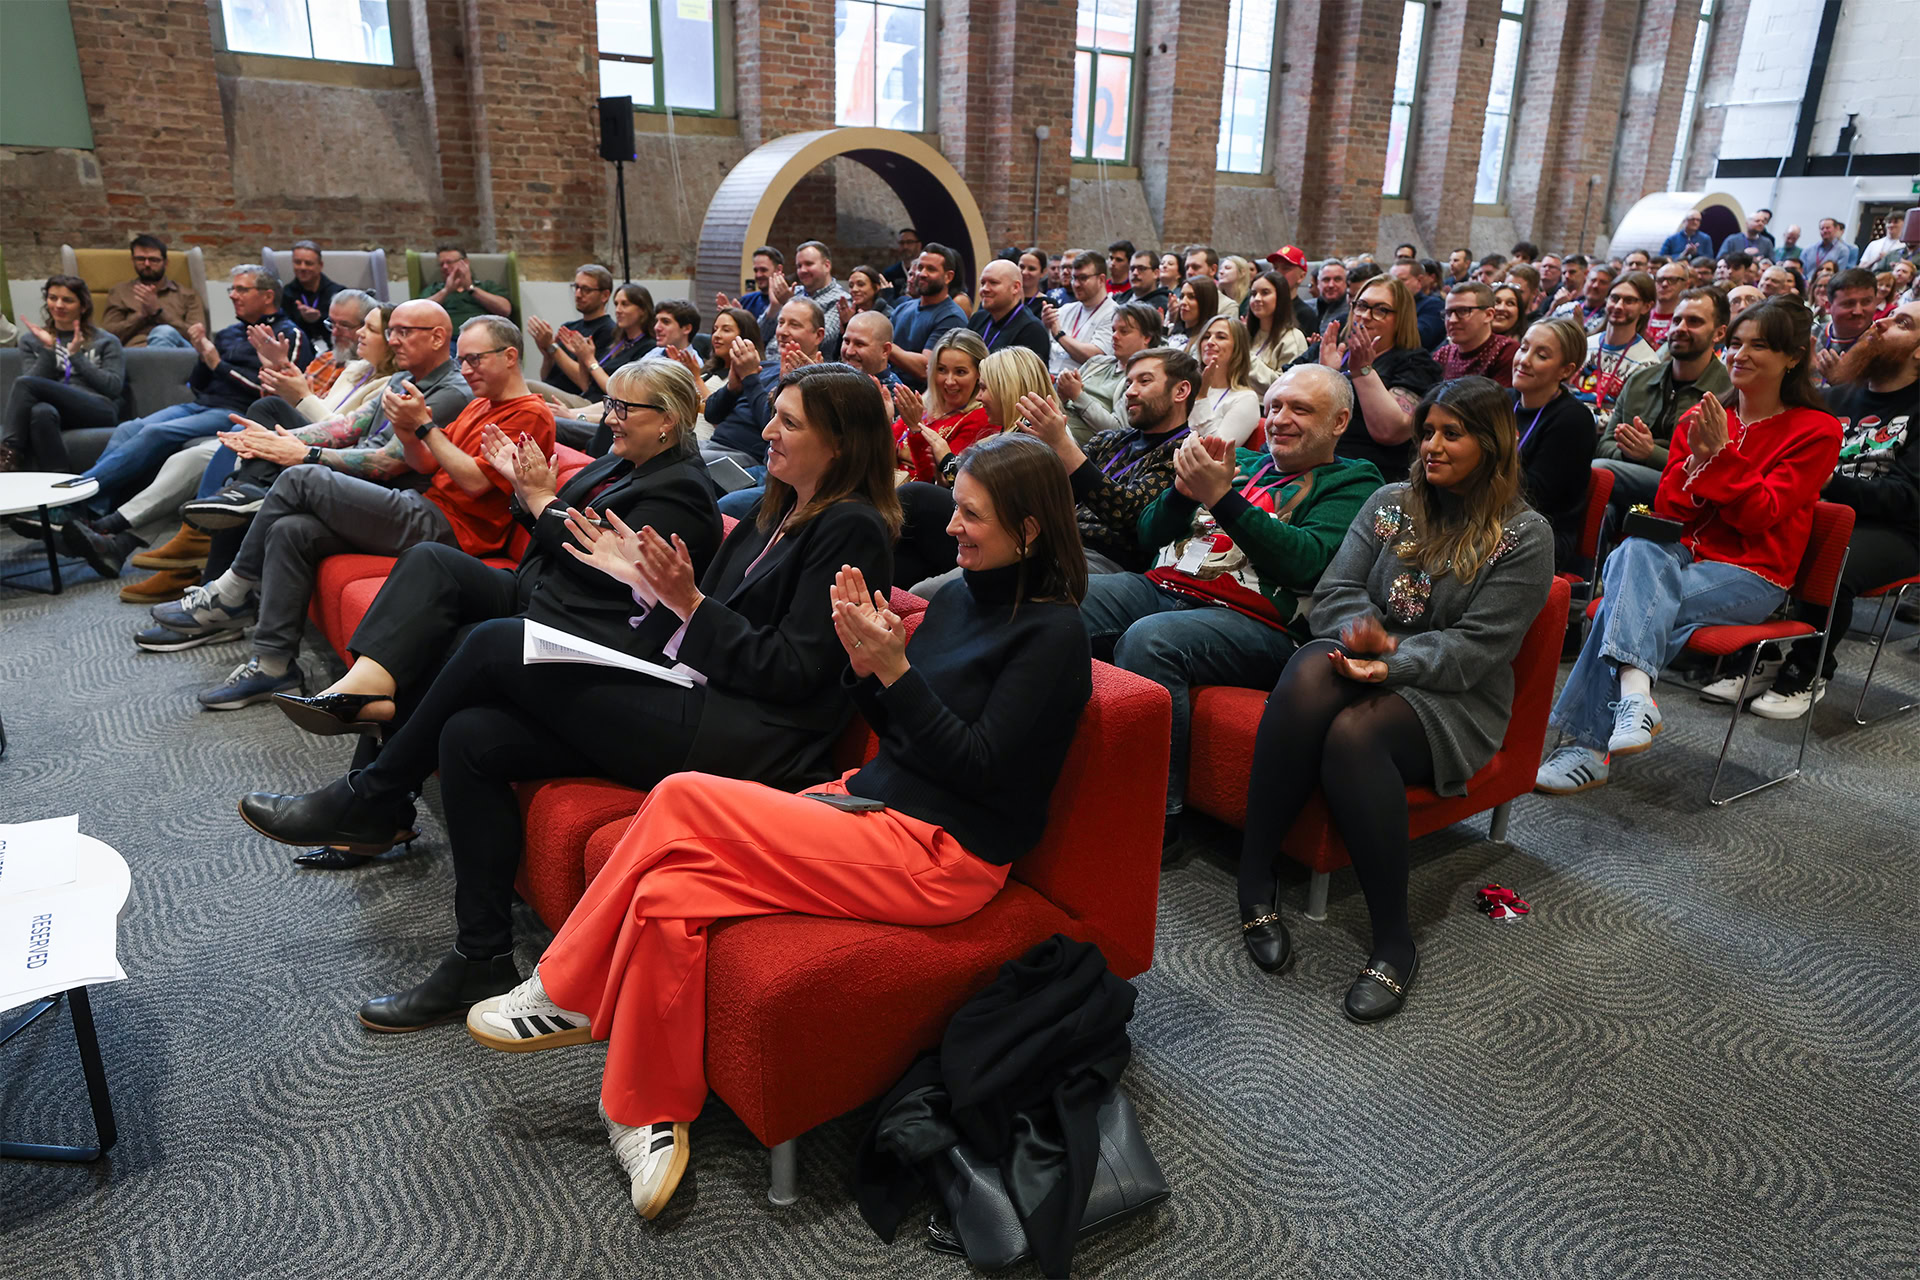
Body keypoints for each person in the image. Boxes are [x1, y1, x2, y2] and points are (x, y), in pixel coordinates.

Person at [439, 431, 1088, 1221]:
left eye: (973, 517)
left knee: (681, 796)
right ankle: (642, 1107)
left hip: (940, 853)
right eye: (955, 508)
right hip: (871, 804)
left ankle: (570, 987)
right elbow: (908, 731)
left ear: (1029, 530)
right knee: (673, 889)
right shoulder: (956, 598)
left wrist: (895, 672)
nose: (951, 527)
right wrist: (866, 669)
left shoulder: (1055, 638)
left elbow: (980, 771)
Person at [237, 363, 902, 1035]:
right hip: (693, 695)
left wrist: (686, 602)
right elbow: (700, 623)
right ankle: (482, 957)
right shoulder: (777, 509)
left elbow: (791, 670)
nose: (766, 430)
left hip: (747, 741)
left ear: (841, 442)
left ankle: (374, 795)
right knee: (470, 736)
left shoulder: (854, 529)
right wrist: (643, 586)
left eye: (788, 421)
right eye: (775, 414)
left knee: (499, 641)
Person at [1237, 376, 1553, 1020]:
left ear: (1491, 445)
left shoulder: (1523, 535)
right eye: (1428, 431)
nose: (1432, 445)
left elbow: (1477, 648)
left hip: (1455, 694)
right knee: (1308, 667)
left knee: (1357, 736)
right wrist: (1364, 637)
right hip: (1367, 658)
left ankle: (1393, 942)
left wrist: (1393, 661)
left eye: (1452, 434)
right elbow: (1336, 590)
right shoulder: (1391, 501)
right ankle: (1254, 876)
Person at [268, 360, 724, 803]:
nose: (609, 418)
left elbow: (606, 571)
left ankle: (368, 800)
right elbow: (559, 529)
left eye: (623, 409)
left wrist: (541, 497)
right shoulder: (622, 462)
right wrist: (531, 496)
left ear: (668, 417)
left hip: (586, 626)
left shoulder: (681, 490)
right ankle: (364, 687)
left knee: (444, 642)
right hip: (546, 592)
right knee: (430, 561)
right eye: (609, 404)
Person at [157, 315, 554, 709]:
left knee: (302, 480)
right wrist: (408, 429)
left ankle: (230, 590)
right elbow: (425, 463)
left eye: (475, 359)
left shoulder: (530, 413)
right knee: (292, 530)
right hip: (427, 507)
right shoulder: (480, 403)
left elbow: (476, 482)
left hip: (453, 531)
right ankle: (273, 663)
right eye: (462, 359)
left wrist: (424, 427)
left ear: (510, 356)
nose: (466, 369)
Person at [1537, 301, 1842, 794]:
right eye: (1737, 342)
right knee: (1635, 550)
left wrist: (1720, 457)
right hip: (1680, 555)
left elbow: (1760, 515)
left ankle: (1586, 747)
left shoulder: (1816, 430)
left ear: (1793, 357)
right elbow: (1671, 511)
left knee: (1623, 599)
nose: (1740, 354)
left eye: (1758, 345)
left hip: (1753, 573)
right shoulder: (1702, 417)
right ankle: (1637, 695)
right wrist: (1701, 462)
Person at [1081, 364, 1382, 841]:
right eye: (1275, 406)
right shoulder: (1241, 460)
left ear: (1339, 422)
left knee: (1152, 641)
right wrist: (1181, 495)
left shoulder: (1355, 482)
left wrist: (1220, 496)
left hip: (1259, 623)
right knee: (1061, 598)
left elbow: (1305, 563)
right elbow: (1146, 534)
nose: (1281, 419)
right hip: (1167, 585)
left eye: (1300, 409)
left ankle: (1158, 818)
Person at [116, 300, 411, 607]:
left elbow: (346, 436)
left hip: (336, 463)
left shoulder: (389, 385)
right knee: (227, 449)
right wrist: (279, 379)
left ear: (391, 342)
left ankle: (191, 543)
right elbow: (312, 416)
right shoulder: (354, 369)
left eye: (369, 328)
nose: (358, 333)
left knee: (246, 429)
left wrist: (299, 400)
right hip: (305, 441)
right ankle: (199, 547)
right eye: (352, 325)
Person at [52, 265, 312, 573]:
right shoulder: (230, 332)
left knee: (156, 434)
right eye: (233, 288)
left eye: (242, 289)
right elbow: (198, 384)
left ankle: (72, 498)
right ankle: (91, 515)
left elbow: (276, 395)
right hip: (203, 403)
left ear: (268, 296)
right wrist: (203, 355)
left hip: (237, 410)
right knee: (130, 427)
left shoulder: (286, 334)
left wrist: (218, 365)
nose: (232, 295)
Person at [1735, 301, 1918, 719]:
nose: (1880, 321)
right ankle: (1753, 655)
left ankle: (1810, 666)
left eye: (1901, 323)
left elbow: (1910, 497)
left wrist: (1831, 483)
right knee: (1753, 526)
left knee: (1835, 553)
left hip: (1897, 531)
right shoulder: (1834, 398)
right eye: (1887, 315)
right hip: (1818, 508)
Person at [1019, 347, 1198, 574]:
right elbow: (1056, 491)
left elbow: (1132, 517)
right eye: (1128, 384)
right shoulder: (1110, 440)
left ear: (1180, 391)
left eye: (1144, 381)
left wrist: (1063, 445)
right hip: (1055, 540)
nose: (1130, 392)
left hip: (1107, 559)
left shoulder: (1186, 453)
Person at [892, 345, 1056, 589]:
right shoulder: (995, 433)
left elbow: (989, 497)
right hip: (966, 529)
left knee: (913, 498)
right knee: (901, 566)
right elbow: (934, 479)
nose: (979, 397)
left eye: (984, 387)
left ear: (1006, 389)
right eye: (941, 370)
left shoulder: (1033, 439)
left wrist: (945, 459)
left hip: (1000, 541)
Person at [1592, 287, 1733, 531]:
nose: (1681, 328)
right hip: (1635, 491)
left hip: (1691, 495)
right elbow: (1604, 445)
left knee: (1599, 472)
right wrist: (1630, 453)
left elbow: (1714, 466)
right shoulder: (1640, 379)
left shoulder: (1728, 392)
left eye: (1695, 322)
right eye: (1677, 320)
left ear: (1719, 333)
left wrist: (1650, 453)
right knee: (1603, 510)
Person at [1290, 275, 1442, 483]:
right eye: (1361, 306)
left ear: (1401, 318)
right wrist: (1324, 374)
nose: (1366, 316)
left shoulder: (1415, 362)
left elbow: (1391, 431)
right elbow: (1280, 395)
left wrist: (1363, 372)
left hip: (1366, 471)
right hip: (1304, 457)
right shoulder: (1331, 348)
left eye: (1381, 310)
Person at [0, 276, 125, 474]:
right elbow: (32, 383)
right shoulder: (32, 341)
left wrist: (76, 356)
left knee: (25, 384)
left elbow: (113, 387)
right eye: (52, 298)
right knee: (40, 412)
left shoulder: (105, 341)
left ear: (83, 306)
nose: (58, 305)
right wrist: (49, 350)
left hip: (99, 408)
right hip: (57, 410)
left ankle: (9, 453)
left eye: (67, 300)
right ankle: (60, 488)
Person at [1510, 317, 1598, 571]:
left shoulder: (1573, 419)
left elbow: (1534, 496)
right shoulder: (1504, 400)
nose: (1524, 360)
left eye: (1541, 355)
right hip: (1490, 518)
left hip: (1540, 535)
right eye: (1524, 347)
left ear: (1565, 370)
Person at [547, 283, 656, 450]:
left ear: (642, 309)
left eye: (625, 304)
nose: (618, 310)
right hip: (591, 402)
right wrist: (582, 357)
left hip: (606, 408)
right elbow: (585, 384)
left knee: (542, 407)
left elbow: (617, 390)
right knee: (539, 407)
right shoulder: (618, 342)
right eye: (616, 304)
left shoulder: (648, 347)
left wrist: (590, 360)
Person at [1055, 300, 1162, 446]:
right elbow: (1059, 401)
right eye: (1113, 330)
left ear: (1147, 337)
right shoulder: (1097, 362)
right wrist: (1061, 393)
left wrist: (1077, 396)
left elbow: (1118, 430)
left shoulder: (1143, 380)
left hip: (1079, 444)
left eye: (1123, 331)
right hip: (1058, 424)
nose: (1114, 336)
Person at [894, 329, 992, 485]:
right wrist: (884, 418)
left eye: (960, 372)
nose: (949, 381)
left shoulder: (982, 417)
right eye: (942, 370)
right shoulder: (925, 403)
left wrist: (915, 430)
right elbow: (883, 452)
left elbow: (938, 482)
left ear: (979, 374)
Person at [1572, 271, 1660, 418]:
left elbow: (1630, 418)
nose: (1619, 306)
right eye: (1614, 298)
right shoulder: (1586, 345)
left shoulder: (1647, 364)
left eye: (1629, 301)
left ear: (1646, 307)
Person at [100, 235, 207, 349]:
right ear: (133, 261)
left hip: (178, 355)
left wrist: (158, 312)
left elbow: (198, 337)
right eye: (140, 259)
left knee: (164, 332)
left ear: (166, 263)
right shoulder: (120, 292)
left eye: (153, 260)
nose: (146, 264)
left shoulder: (188, 295)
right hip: (135, 354)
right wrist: (140, 316)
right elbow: (107, 336)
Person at [888, 243, 969, 390]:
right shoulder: (903, 308)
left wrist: (882, 344)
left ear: (948, 277)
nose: (922, 274)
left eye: (931, 269)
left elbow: (926, 368)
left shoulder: (951, 317)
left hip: (921, 401)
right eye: (920, 268)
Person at [528, 264, 616, 399]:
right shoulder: (569, 327)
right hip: (553, 392)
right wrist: (547, 354)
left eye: (586, 289)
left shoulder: (609, 331)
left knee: (525, 387)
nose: (578, 294)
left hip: (577, 398)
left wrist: (553, 348)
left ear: (604, 295)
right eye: (576, 287)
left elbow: (586, 382)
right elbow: (546, 377)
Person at [1042, 250, 1118, 378]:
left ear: (1101, 279)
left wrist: (1059, 335)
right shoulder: (1065, 310)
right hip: (1051, 379)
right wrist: (1045, 326)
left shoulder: (1114, 313)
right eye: (1074, 278)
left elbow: (1095, 357)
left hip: (1084, 386)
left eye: (1083, 278)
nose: (1076, 285)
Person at [1187, 317, 1261, 445]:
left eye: (1221, 337)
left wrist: (1201, 397)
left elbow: (1220, 450)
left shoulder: (1246, 398)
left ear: (1238, 347)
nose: (1210, 342)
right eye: (1206, 337)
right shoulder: (1188, 386)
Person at [770, 241, 851, 353]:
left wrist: (788, 303)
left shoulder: (841, 300)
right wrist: (773, 307)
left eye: (809, 264)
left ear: (826, 266)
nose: (803, 270)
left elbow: (822, 339)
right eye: (799, 266)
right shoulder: (794, 292)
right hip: (770, 363)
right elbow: (761, 336)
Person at [966, 259, 1051, 364]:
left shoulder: (1032, 330)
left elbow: (1025, 378)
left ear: (1015, 287)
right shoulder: (977, 319)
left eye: (993, 283)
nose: (985, 289)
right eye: (983, 283)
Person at [1433, 282, 1518, 387]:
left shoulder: (1505, 351)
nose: (1452, 320)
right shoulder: (1443, 354)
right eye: (1449, 313)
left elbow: (1497, 402)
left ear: (1488, 315)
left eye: (1463, 311)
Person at [1244, 270, 1308, 395]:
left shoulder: (1293, 337)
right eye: (1253, 293)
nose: (1257, 299)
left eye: (1265, 293)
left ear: (1281, 297)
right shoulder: (1248, 333)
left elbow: (1285, 386)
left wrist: (1244, 356)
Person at [1813, 268, 1880, 385]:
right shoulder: (1810, 335)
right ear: (1828, 307)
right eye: (1848, 304)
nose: (1858, 311)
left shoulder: (1885, 344)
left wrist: (1840, 382)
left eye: (1866, 302)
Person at [423, 246, 513, 328]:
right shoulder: (435, 289)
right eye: (441, 264)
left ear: (465, 262)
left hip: (482, 336)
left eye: (449, 262)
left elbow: (505, 310)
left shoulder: (486, 286)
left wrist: (471, 288)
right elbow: (418, 312)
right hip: (447, 338)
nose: (445, 267)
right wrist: (446, 291)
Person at [278, 241, 343, 353]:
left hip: (334, 351)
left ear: (320, 266)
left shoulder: (338, 294)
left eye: (308, 263)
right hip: (298, 352)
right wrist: (302, 319)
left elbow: (345, 330)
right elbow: (284, 331)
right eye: (298, 262)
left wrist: (319, 319)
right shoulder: (285, 294)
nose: (302, 267)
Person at [1263, 245, 1321, 335]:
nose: (1277, 273)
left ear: (1301, 276)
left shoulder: (1305, 315)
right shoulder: (1263, 306)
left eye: (1285, 268)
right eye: (1275, 268)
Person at [717, 245, 781, 321]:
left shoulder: (788, 302)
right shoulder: (746, 301)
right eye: (756, 270)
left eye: (763, 270)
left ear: (778, 269)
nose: (758, 275)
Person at [1553, 262, 1616, 334]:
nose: (1595, 286)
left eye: (1603, 282)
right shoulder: (1566, 307)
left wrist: (1579, 326)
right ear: (1585, 282)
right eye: (1593, 280)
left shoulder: (1610, 316)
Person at [1394, 261, 1445, 350]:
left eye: (1402, 280)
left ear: (1419, 280)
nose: (1395, 286)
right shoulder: (1390, 303)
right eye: (1393, 281)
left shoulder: (1433, 305)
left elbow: (1418, 337)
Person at [1165, 276, 1221, 352]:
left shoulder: (1208, 342)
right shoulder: (1170, 330)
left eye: (1191, 297)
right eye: (1182, 296)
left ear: (1206, 302)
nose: (1183, 302)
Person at [1645, 261, 1692, 349]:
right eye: (1660, 280)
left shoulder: (1689, 322)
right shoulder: (1641, 315)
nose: (1664, 284)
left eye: (1672, 280)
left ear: (1686, 285)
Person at [881, 228, 923, 299]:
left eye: (909, 242)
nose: (905, 247)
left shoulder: (926, 270)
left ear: (919, 245)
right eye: (901, 243)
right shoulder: (890, 273)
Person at [1313, 260, 1350, 330]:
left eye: (1337, 279)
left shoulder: (1352, 311)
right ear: (1318, 283)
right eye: (1326, 280)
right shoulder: (1306, 309)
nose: (1331, 285)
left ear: (1346, 282)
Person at [1017, 248, 1052, 317]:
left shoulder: (1048, 304)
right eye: (1022, 267)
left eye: (1031, 269)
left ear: (1043, 272)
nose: (1024, 272)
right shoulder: (1006, 300)